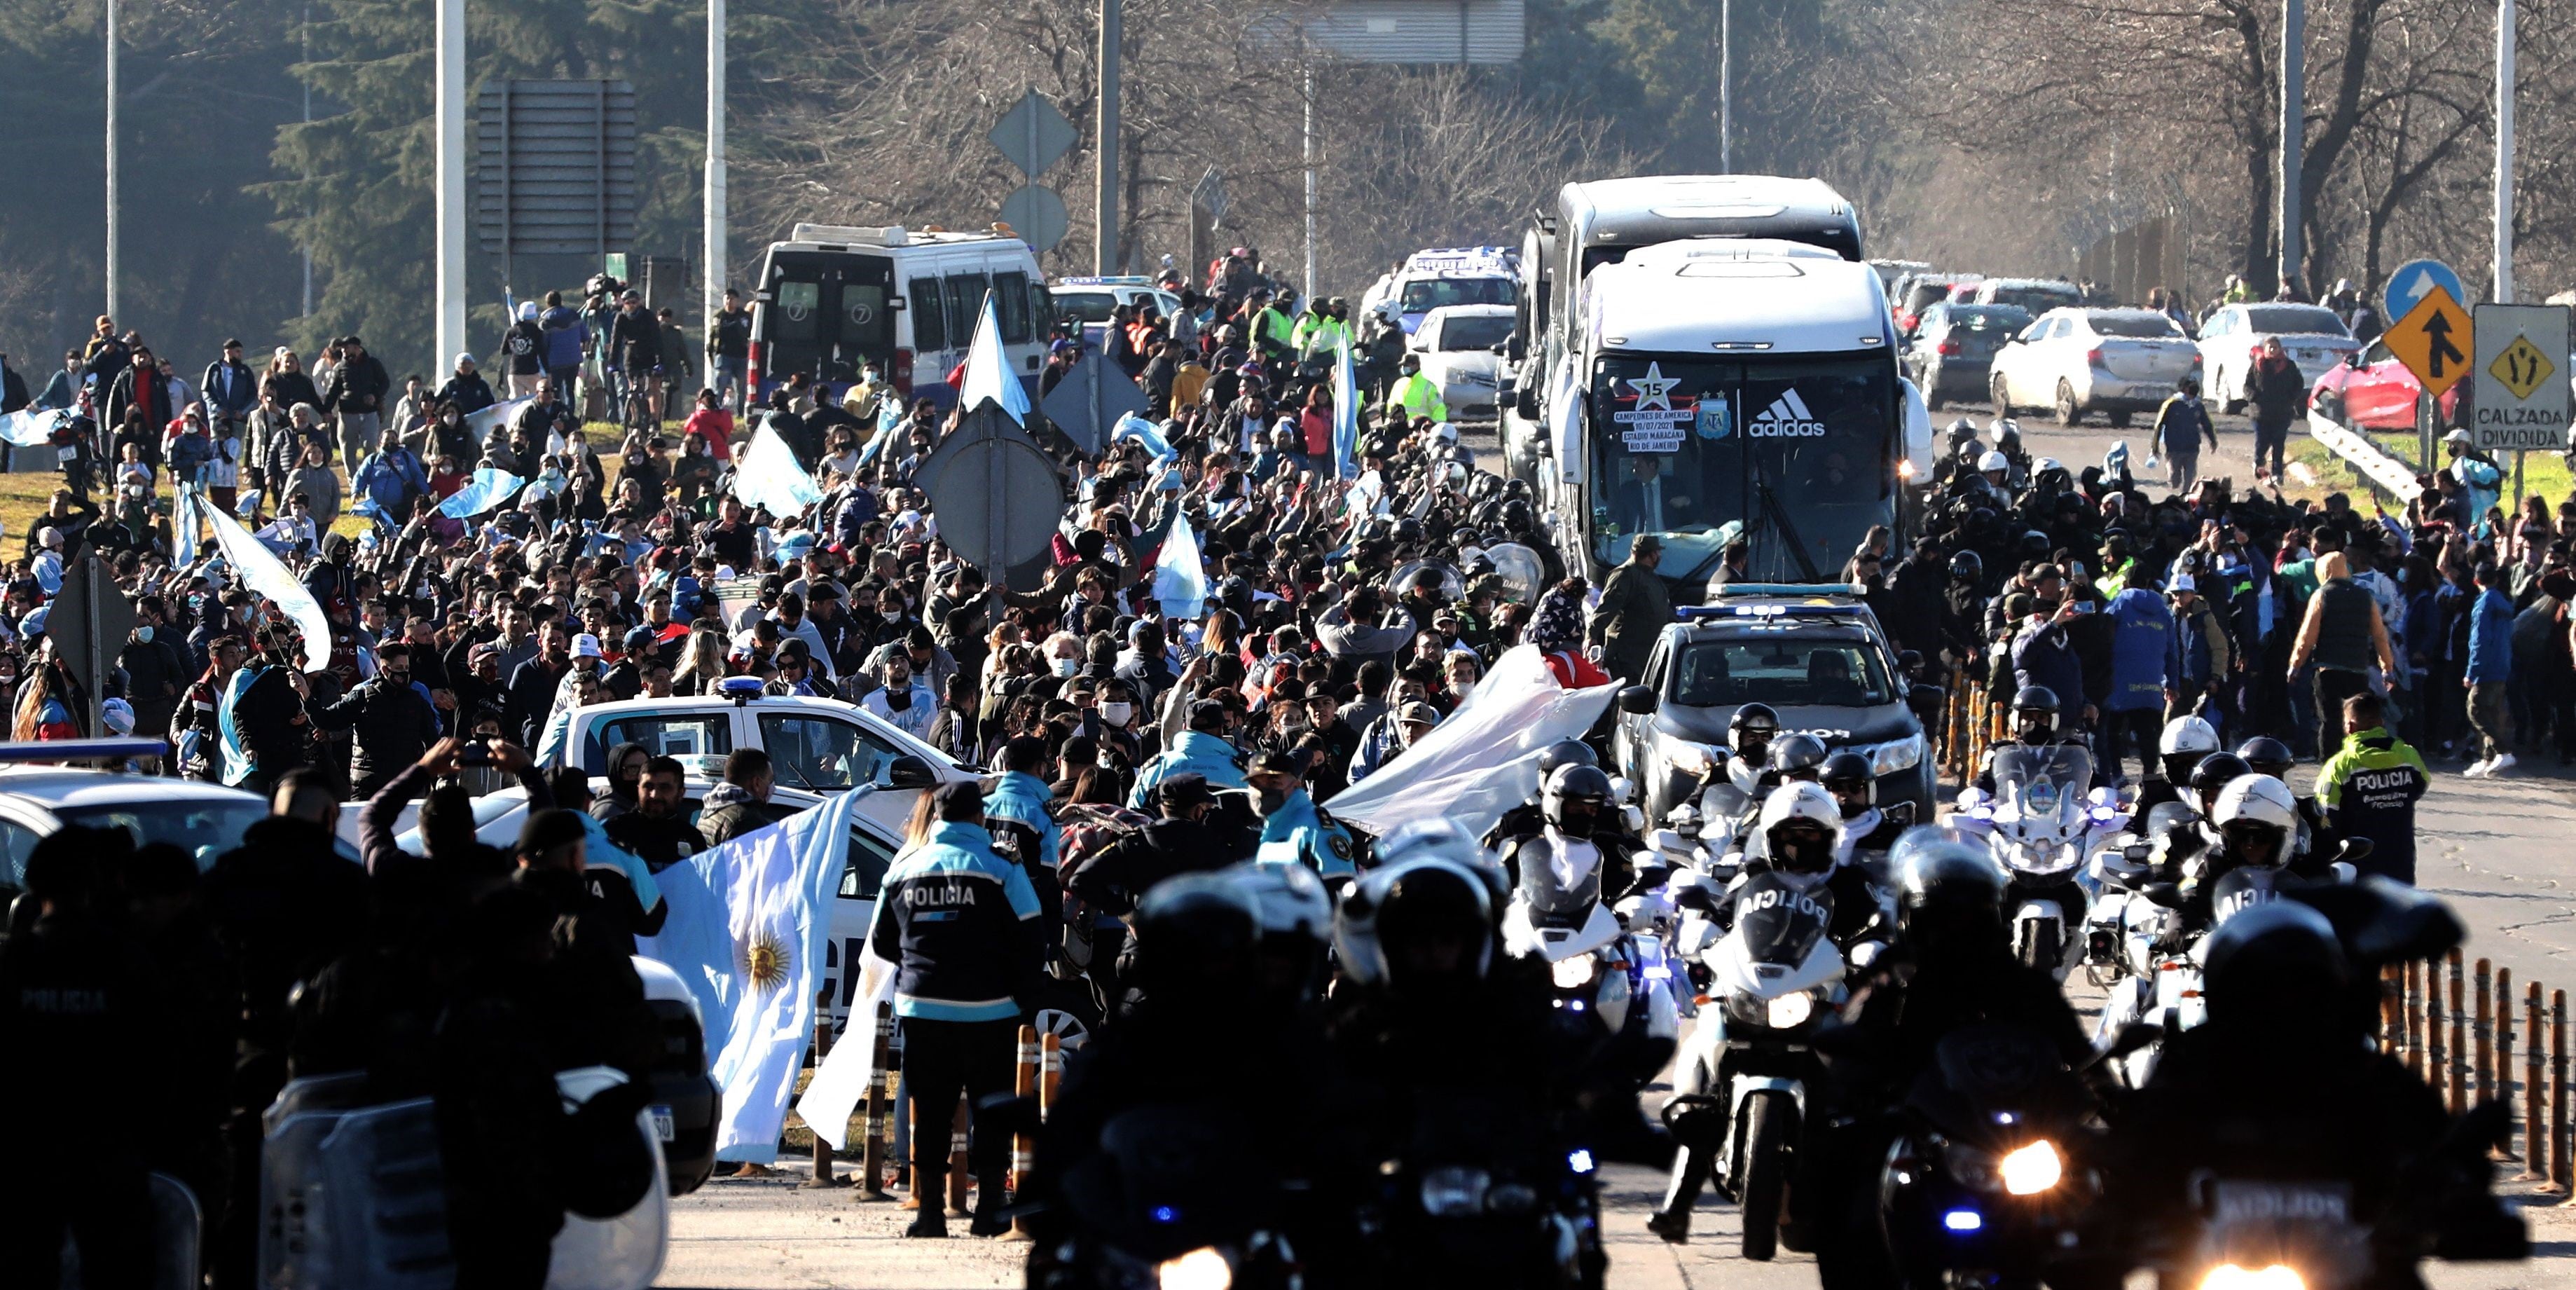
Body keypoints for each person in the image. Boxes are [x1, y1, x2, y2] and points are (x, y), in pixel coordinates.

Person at [870, 781, 1043, 1237]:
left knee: (930, 1109)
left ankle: (929, 1213)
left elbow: (881, 941)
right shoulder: (1000, 863)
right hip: (990, 1011)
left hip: (923, 1008)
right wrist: (1021, 996)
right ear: (978, 818)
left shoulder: (904, 866)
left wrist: (922, 968)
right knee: (990, 1109)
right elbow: (1031, 932)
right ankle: (988, 1210)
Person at [2286, 551, 2399, 764]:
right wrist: (2388, 667)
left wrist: (2295, 664)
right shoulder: (2365, 597)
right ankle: (2359, 763)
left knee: (2329, 720)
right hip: (2357, 668)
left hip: (2328, 668)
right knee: (2359, 720)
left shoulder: (2322, 595)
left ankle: (2329, 766)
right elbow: (2379, 635)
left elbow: (2307, 636)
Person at [2314, 691, 2428, 884]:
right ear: (2381, 722)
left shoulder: (2340, 766)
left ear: (2350, 726)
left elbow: (2325, 814)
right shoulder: (2409, 756)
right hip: (2401, 862)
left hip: (2356, 868)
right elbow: (2420, 786)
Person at [1588, 531, 1672, 684]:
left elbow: (1664, 611)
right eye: (1658, 552)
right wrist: (1592, 634)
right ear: (1651, 555)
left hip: (1648, 654)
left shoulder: (1652, 578)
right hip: (1627, 657)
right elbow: (1607, 607)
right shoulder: (1624, 576)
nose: (1660, 555)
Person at [602, 755, 707, 870]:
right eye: (648, 787)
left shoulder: (693, 839)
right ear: (638, 789)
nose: (655, 795)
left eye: (664, 788)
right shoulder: (614, 832)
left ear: (681, 793)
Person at [2463, 560, 2518, 777]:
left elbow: (2480, 640)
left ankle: (2502, 751)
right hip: (2502, 663)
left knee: (2475, 709)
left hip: (2486, 667)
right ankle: (2488, 758)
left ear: (2476, 580)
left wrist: (2472, 671)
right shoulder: (2503, 603)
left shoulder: (2484, 604)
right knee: (2492, 711)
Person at [698, 748, 791, 845]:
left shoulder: (708, 812)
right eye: (770, 781)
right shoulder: (746, 821)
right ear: (757, 783)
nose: (773, 787)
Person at [2150, 376, 2219, 490]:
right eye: (2190, 386)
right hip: (2174, 449)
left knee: (2190, 479)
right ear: (2184, 388)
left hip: (2192, 448)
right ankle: (2174, 486)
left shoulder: (2198, 405)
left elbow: (2207, 424)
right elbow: (2159, 426)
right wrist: (2155, 447)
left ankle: (2186, 499)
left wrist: (2213, 441)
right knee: (2175, 479)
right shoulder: (2171, 404)